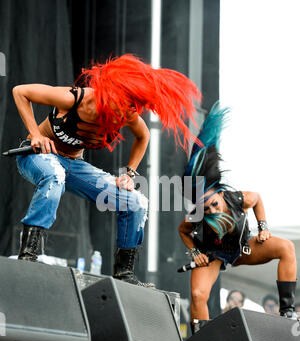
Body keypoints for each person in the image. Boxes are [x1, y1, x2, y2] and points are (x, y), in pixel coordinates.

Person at [13, 54, 201, 287]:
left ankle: (125, 273)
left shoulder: (129, 112)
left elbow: (144, 136)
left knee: (136, 202)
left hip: (74, 166)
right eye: (123, 105)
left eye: (131, 108)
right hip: (37, 157)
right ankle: (28, 254)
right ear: (110, 93)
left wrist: (130, 173)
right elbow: (20, 91)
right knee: (54, 175)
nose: (125, 114)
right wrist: (35, 134)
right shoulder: (77, 99)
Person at [178, 102, 298, 333]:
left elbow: (258, 199)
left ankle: (287, 313)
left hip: (244, 248)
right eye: (205, 208)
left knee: (286, 248)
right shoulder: (198, 214)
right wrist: (196, 252)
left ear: (221, 194)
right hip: (214, 255)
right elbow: (183, 230)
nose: (211, 211)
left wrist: (263, 228)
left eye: (213, 204)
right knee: (197, 295)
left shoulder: (237, 198)